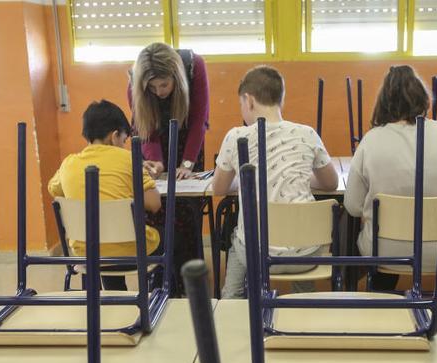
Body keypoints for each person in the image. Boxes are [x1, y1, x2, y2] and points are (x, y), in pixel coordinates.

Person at [343, 65, 437, 291]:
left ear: (383, 102)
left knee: (364, 240)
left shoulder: (371, 141)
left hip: (383, 250)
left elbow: (352, 206)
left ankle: (380, 296)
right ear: (425, 99)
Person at [213, 66, 339, 298]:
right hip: (306, 254)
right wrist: (296, 178)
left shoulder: (236, 136)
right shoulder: (307, 133)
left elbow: (218, 188)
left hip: (257, 255)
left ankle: (232, 299)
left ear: (248, 100)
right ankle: (302, 302)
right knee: (300, 238)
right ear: (281, 99)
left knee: (236, 237)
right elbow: (331, 183)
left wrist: (246, 182)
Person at [48, 100, 162, 290]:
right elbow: (154, 203)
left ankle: (116, 298)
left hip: (88, 254)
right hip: (131, 253)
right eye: (124, 140)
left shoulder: (68, 164)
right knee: (168, 240)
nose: (125, 145)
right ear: (115, 135)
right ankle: (159, 292)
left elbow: (55, 190)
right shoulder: (128, 159)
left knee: (105, 244)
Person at [128, 43, 209, 294]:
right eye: (152, 87)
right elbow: (145, 126)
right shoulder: (135, 80)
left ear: (177, 78)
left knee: (186, 207)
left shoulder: (195, 67)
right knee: (157, 204)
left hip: (187, 139)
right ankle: (161, 275)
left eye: (164, 85)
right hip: (153, 139)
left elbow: (199, 120)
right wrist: (156, 161)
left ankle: (190, 276)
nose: (159, 91)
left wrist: (187, 163)